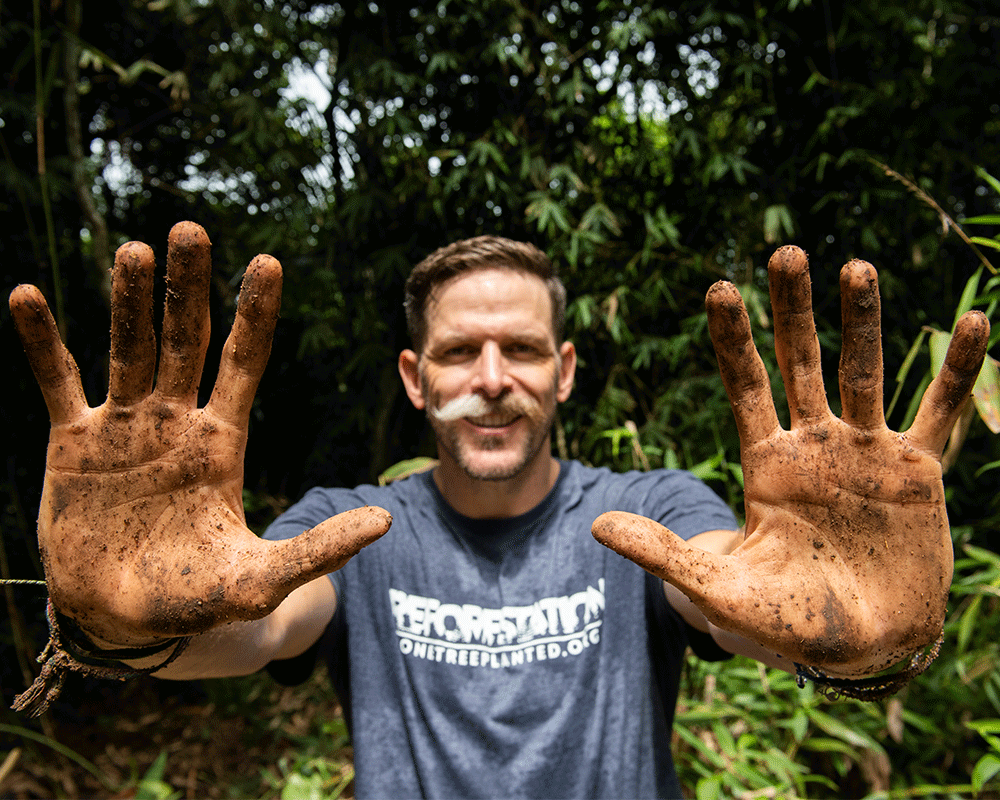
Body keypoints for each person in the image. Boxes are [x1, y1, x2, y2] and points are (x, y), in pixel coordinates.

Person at [8, 221, 989, 798]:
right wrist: (119, 615)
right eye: (455, 353)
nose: (489, 378)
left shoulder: (648, 508)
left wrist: (856, 632)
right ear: (414, 379)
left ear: (562, 372)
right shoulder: (351, 523)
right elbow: (258, 619)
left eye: (520, 349)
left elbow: (733, 590)